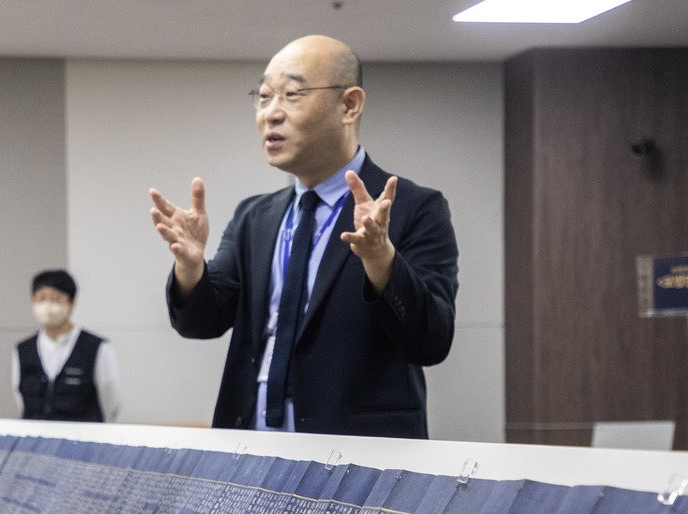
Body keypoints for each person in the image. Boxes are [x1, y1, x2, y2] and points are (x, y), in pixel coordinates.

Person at [150, 35, 459, 438]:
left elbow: (431, 343)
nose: (270, 114)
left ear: (349, 105)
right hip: (252, 445)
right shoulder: (254, 216)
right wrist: (190, 269)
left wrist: (381, 260)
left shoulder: (412, 208)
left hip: (357, 456)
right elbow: (202, 322)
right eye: (263, 97)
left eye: (291, 94)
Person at [12, 269, 122, 422]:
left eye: (56, 299)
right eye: (41, 298)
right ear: (33, 301)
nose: (47, 305)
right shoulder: (23, 350)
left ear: (71, 304)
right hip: (37, 440)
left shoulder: (97, 347)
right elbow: (20, 399)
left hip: (84, 439)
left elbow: (111, 401)